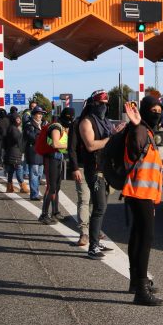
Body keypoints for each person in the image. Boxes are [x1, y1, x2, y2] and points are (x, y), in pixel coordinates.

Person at [122, 96, 163, 306]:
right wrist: (135, 124)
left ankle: (136, 281)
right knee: (145, 239)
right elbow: (132, 152)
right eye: (153, 110)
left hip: (142, 193)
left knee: (138, 236)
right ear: (145, 111)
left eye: (159, 110)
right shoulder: (140, 131)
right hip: (139, 193)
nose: (156, 113)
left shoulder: (146, 131)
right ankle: (141, 290)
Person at [79, 90, 125, 259]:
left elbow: (111, 142)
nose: (104, 107)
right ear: (94, 104)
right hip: (94, 170)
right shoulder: (86, 122)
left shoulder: (105, 122)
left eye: (106, 104)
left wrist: (118, 134)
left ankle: (96, 240)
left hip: (106, 170)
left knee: (102, 207)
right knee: (99, 207)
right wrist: (112, 137)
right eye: (101, 104)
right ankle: (93, 247)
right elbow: (91, 145)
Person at [38, 110, 70, 225]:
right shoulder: (56, 127)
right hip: (50, 157)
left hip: (57, 157)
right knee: (51, 187)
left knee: (57, 186)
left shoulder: (62, 126)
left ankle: (55, 212)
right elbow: (55, 144)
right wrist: (70, 145)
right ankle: (44, 214)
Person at [67, 106, 91, 247]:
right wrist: (75, 168)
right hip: (82, 167)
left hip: (97, 168)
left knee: (98, 203)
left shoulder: (101, 122)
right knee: (84, 200)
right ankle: (84, 233)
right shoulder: (77, 123)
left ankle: (94, 229)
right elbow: (72, 148)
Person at [23, 106, 46, 201]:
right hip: (33, 152)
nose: (40, 116)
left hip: (41, 152)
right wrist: (42, 137)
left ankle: (36, 192)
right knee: (34, 173)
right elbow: (31, 137)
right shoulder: (29, 124)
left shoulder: (43, 124)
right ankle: (34, 194)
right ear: (33, 115)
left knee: (40, 174)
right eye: (38, 114)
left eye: (41, 114)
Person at [3, 112, 28, 194]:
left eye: (19, 119)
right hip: (15, 152)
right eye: (16, 119)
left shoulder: (10, 128)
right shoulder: (14, 129)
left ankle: (9, 187)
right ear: (13, 120)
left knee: (10, 171)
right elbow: (17, 140)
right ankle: (23, 187)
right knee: (19, 169)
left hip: (11, 152)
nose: (18, 120)